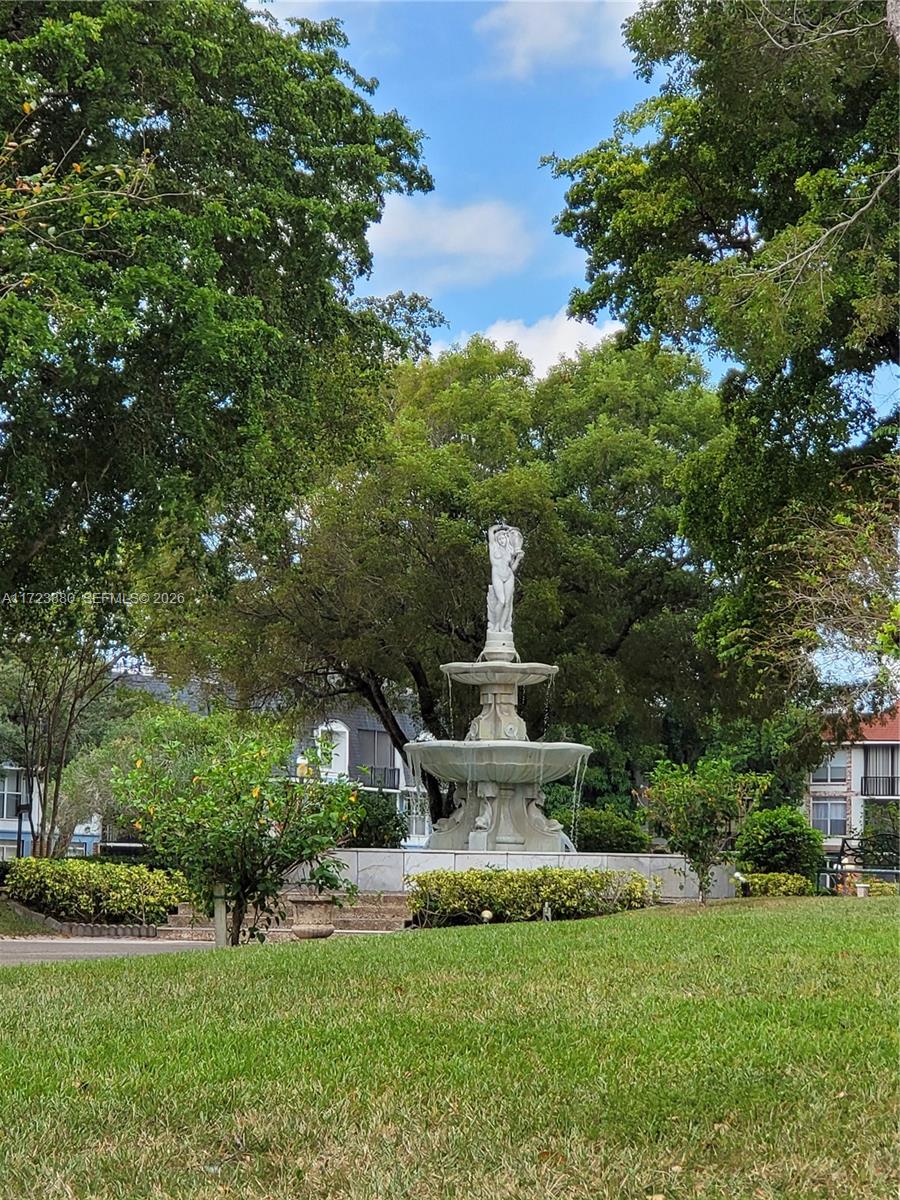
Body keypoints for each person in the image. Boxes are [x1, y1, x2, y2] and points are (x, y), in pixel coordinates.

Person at [486, 523, 523, 633]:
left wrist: (518, 559)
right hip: (497, 575)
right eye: (500, 539)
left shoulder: (509, 551)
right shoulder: (493, 546)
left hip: (508, 576)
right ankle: (496, 624)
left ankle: (502, 626)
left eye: (503, 538)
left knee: (507, 602)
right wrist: (505, 526)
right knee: (501, 601)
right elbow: (491, 530)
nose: (502, 540)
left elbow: (513, 568)